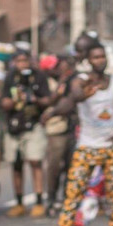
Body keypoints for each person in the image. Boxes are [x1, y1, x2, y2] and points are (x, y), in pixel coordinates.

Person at [43, 44, 113, 226]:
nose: (100, 60)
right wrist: (77, 97)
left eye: (102, 56)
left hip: (111, 147)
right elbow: (72, 98)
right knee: (73, 194)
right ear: (89, 60)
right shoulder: (80, 81)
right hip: (86, 146)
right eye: (95, 57)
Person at [1, 50, 53, 217]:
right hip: (14, 126)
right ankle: (19, 202)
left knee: (35, 161)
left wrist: (35, 100)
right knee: (16, 164)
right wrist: (10, 102)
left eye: (25, 60)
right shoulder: (10, 77)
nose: (22, 64)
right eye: (19, 61)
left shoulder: (39, 76)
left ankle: (38, 201)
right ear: (14, 62)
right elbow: (4, 101)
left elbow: (48, 100)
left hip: (33, 125)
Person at [43, 55, 78, 214]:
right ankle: (51, 198)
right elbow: (49, 101)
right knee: (54, 166)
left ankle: (68, 198)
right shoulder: (47, 82)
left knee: (71, 166)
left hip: (72, 128)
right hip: (56, 129)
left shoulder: (74, 80)